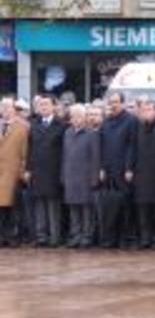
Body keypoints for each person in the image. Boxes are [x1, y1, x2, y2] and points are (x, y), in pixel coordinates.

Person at [99, 91, 138, 249]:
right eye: (111, 102)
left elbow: (132, 146)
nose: (113, 105)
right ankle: (110, 238)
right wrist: (101, 167)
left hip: (124, 170)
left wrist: (129, 168)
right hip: (109, 170)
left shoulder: (131, 121)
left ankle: (126, 238)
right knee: (110, 206)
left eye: (116, 102)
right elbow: (102, 146)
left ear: (122, 103)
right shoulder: (106, 122)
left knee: (125, 206)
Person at [25, 95, 66, 248]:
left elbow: (64, 151)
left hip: (54, 171)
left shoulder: (61, 125)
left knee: (53, 205)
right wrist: (28, 169)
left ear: (53, 106)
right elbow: (29, 149)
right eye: (41, 105)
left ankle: (55, 237)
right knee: (39, 205)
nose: (43, 107)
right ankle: (41, 236)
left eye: (46, 104)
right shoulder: (33, 124)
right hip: (37, 171)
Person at [132, 100, 155, 250]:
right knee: (142, 207)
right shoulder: (139, 128)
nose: (146, 112)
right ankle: (145, 237)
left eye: (149, 109)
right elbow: (134, 150)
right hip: (141, 173)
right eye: (143, 110)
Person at [60, 104, 100, 248]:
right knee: (73, 209)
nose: (75, 119)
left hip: (85, 177)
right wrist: (63, 176)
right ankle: (75, 235)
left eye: (78, 116)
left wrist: (94, 178)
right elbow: (64, 156)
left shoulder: (92, 133)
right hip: (71, 177)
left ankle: (86, 236)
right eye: (73, 116)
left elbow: (96, 158)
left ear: (84, 117)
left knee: (86, 209)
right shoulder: (67, 133)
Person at [0, 98, 28, 247]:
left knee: (13, 208)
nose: (4, 109)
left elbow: (25, 152)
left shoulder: (23, 127)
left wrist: (22, 172)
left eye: (7, 106)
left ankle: (13, 237)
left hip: (13, 172)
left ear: (14, 109)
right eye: (2, 106)